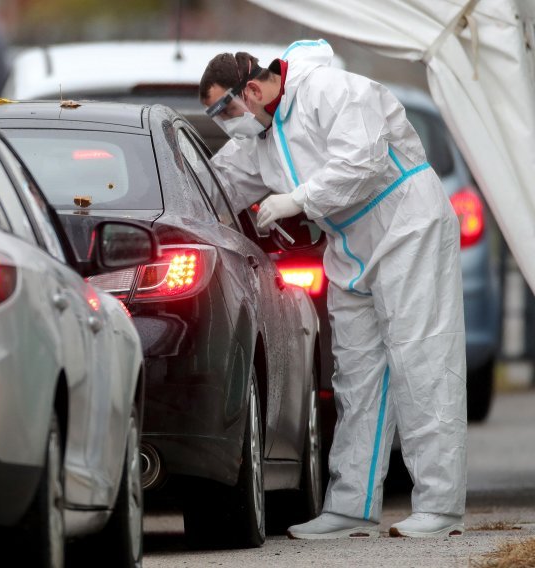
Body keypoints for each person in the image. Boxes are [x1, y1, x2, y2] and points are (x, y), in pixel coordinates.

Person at [199, 39, 467, 539]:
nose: (224, 124)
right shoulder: (259, 136)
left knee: (422, 361)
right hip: (349, 244)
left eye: (223, 109)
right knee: (356, 374)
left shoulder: (333, 90)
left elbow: (361, 164)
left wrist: (295, 199)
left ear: (252, 89)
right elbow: (216, 186)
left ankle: (440, 504)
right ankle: (352, 504)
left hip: (405, 224)